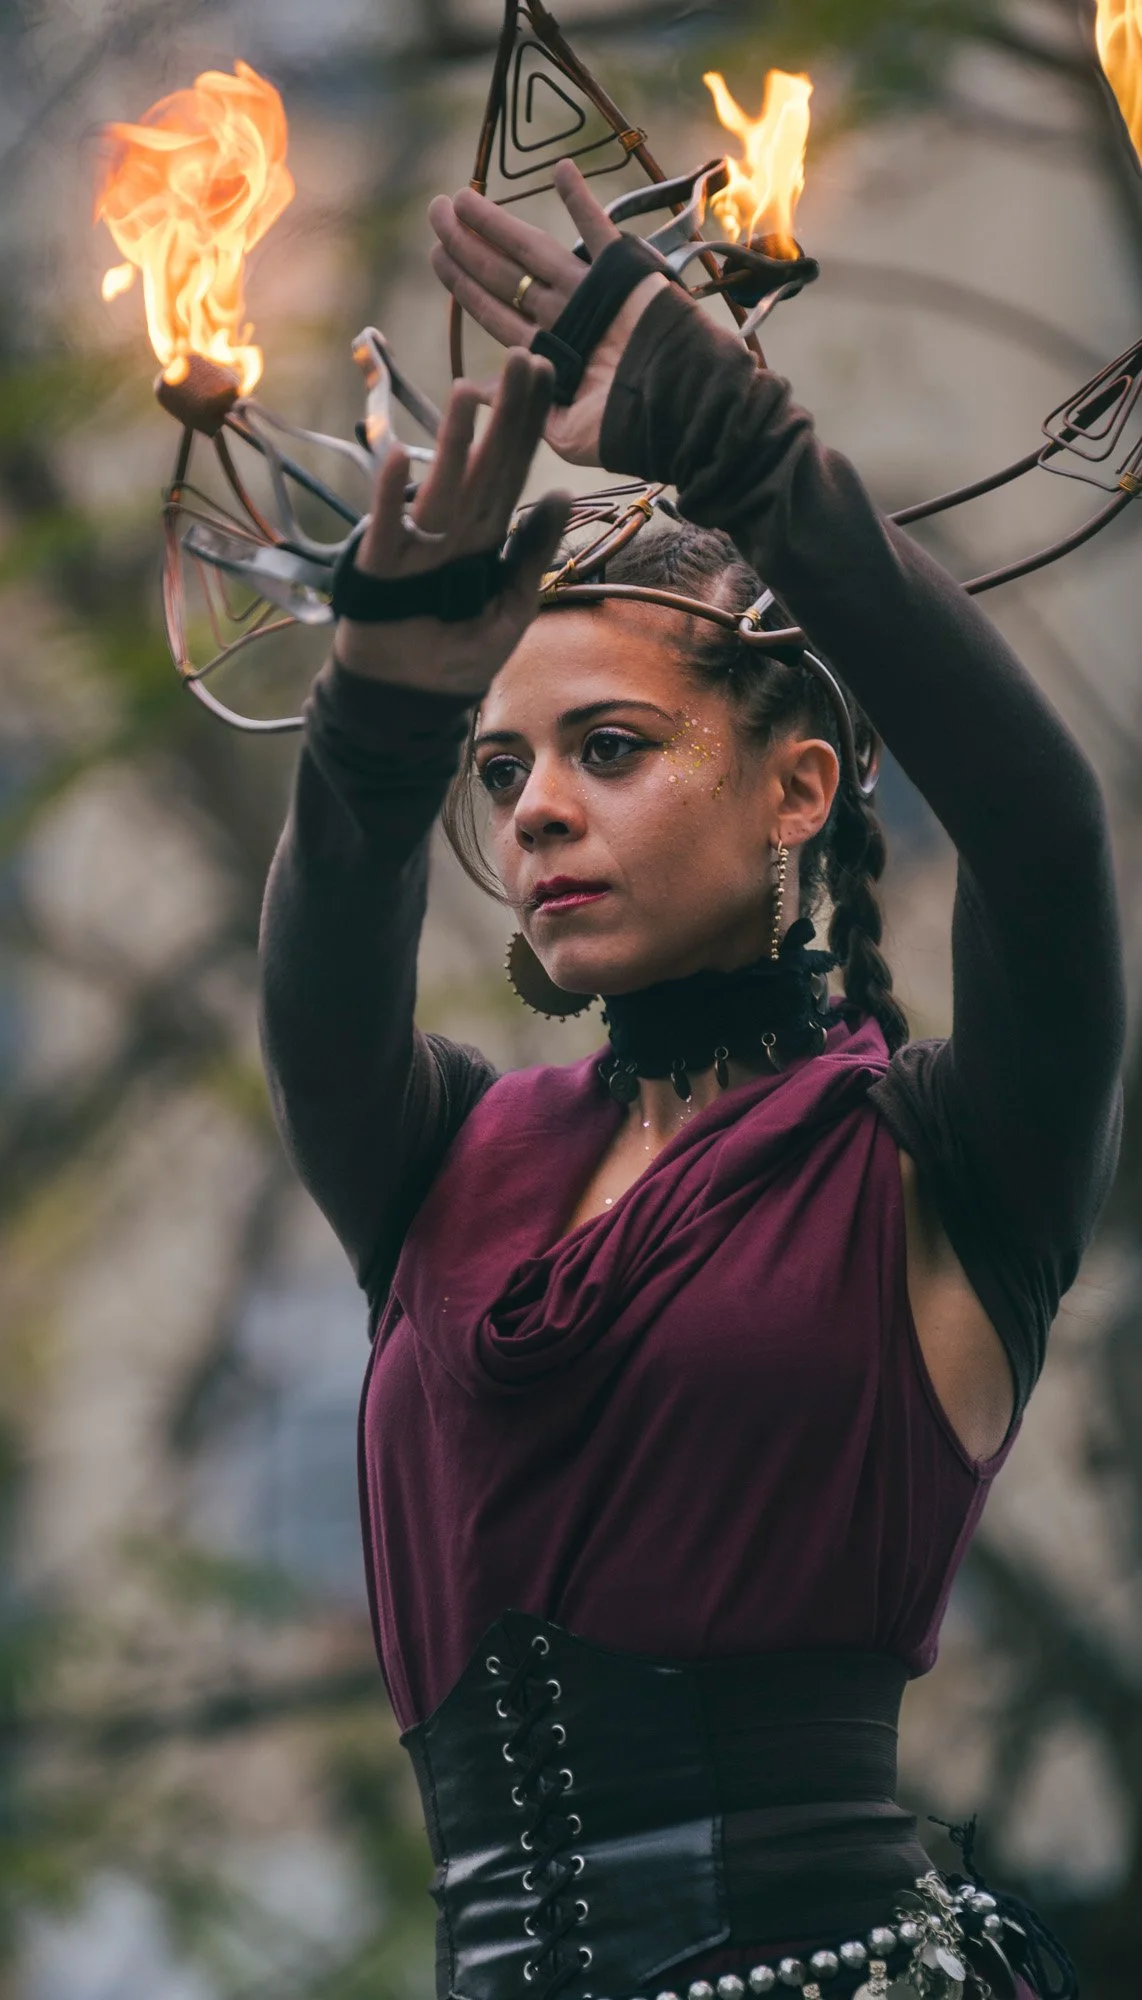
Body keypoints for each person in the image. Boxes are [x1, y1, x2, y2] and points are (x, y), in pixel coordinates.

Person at [258, 158, 1124, 2000]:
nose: (540, 804)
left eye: (612, 746)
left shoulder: (935, 1161)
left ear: (798, 789)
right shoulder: (449, 1163)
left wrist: (748, 456)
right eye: (502, 772)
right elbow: (321, 985)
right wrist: (386, 695)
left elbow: (1045, 843)